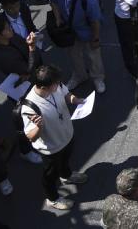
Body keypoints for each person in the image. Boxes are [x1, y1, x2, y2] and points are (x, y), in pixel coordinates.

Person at [20, 65, 89, 210]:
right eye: (56, 84)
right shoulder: (29, 107)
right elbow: (30, 136)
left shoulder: (56, 85)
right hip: (51, 148)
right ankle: (52, 198)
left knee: (65, 160)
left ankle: (67, 175)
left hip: (66, 136)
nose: (59, 86)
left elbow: (66, 94)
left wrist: (75, 100)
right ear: (44, 87)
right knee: (50, 176)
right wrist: (39, 127)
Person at [50, 0, 105, 93]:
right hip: (70, 32)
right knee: (74, 55)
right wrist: (58, 17)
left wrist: (95, 38)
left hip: (87, 32)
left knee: (94, 56)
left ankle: (98, 78)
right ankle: (80, 76)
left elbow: (95, 21)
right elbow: (53, 1)